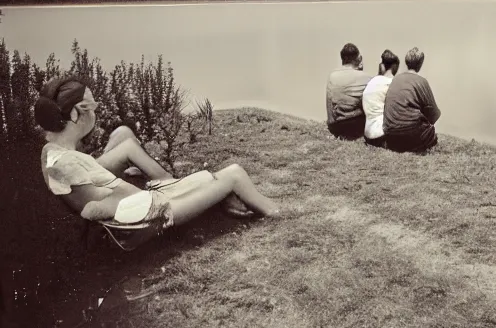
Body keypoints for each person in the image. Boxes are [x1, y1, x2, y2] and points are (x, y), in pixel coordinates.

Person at [34, 76, 280, 230]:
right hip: (154, 211)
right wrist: (140, 190)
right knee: (234, 174)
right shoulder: (64, 164)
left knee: (207, 179)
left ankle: (223, 200)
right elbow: (98, 207)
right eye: (93, 105)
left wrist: (131, 186)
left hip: (146, 205)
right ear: (77, 113)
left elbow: (97, 198)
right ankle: (278, 214)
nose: (96, 111)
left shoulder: (55, 153)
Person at [383, 47, 441, 153]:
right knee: (431, 131)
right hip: (411, 136)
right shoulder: (421, 81)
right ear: (420, 63)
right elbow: (434, 114)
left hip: (391, 137)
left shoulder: (395, 79)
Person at [326, 43, 372, 140]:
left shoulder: (332, 76)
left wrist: (332, 126)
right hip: (357, 126)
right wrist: (361, 70)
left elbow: (329, 107)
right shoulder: (366, 78)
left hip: (337, 126)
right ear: (358, 58)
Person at [362, 49, 400, 148]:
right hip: (381, 135)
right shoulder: (392, 84)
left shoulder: (372, 82)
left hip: (367, 134)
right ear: (395, 67)